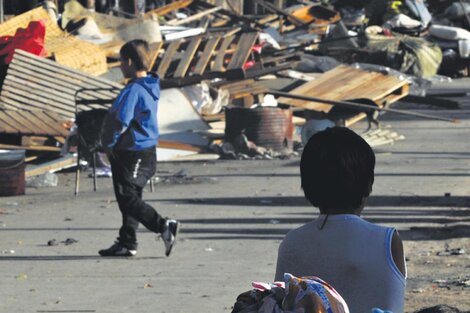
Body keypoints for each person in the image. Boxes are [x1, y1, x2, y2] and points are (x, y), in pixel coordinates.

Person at [274, 127, 407, 313]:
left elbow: (278, 303)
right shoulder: (387, 241)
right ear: (368, 185)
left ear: (308, 186)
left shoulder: (292, 242)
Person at [99, 39, 179, 257]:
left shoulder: (134, 89)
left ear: (130, 61)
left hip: (131, 150)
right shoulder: (151, 85)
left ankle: (163, 225)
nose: (120, 66)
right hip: (147, 149)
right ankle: (127, 242)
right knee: (132, 197)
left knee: (127, 197)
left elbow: (120, 119)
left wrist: (108, 143)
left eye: (121, 62)